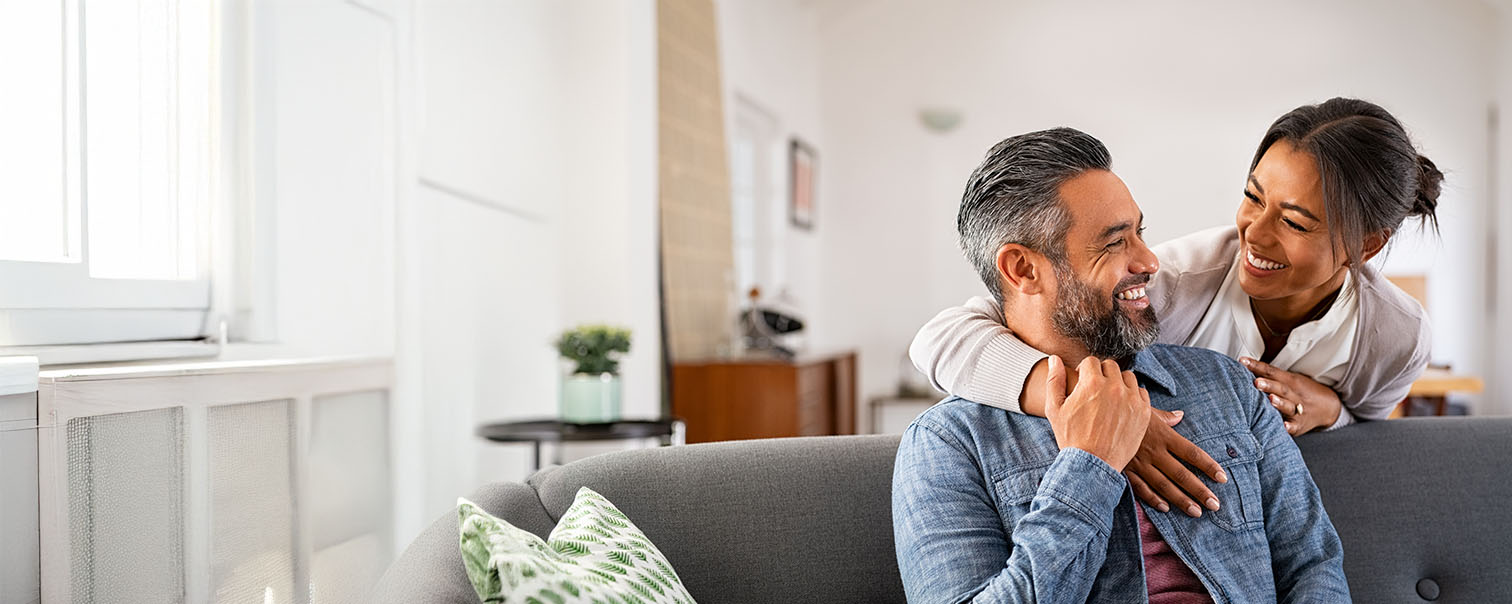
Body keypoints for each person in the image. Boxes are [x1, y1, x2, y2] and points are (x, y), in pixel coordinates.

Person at [910, 97, 1439, 518]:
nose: (1254, 232)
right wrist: (1105, 413)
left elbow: (1369, 430)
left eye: (1295, 222)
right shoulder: (1175, 282)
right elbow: (942, 338)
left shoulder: (1396, 336)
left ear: (1365, 246)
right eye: (1253, 197)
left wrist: (1332, 411)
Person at [892, 127, 1348, 602]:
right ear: (1023, 269)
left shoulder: (1230, 385)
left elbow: (1313, 566)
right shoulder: (949, 444)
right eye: (1114, 244)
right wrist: (1088, 467)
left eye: (1140, 233)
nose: (1150, 260)